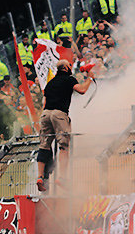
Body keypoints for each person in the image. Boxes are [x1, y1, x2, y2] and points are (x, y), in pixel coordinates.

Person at [36, 59, 93, 192]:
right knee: (63, 146)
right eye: (70, 65)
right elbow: (82, 90)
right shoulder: (69, 79)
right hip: (59, 114)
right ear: (66, 68)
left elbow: (45, 101)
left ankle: (39, 176)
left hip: (45, 114)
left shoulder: (50, 83)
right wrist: (90, 78)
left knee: (44, 145)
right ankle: (62, 178)